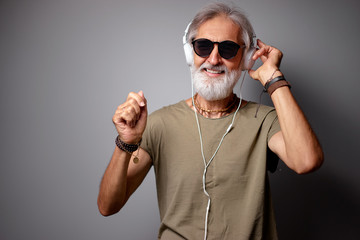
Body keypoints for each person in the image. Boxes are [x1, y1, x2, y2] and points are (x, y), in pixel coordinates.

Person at [97, 3, 324, 239]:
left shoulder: (263, 120)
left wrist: (273, 79)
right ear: (190, 53)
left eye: (227, 49)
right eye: (203, 46)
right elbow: (107, 206)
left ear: (245, 58)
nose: (213, 59)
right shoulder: (159, 124)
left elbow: (307, 161)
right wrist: (126, 142)